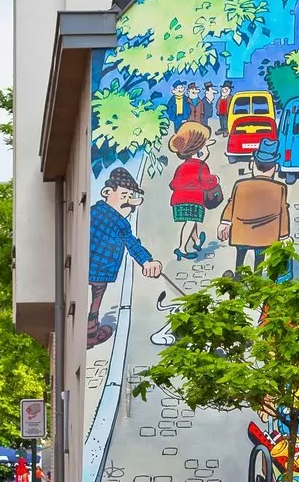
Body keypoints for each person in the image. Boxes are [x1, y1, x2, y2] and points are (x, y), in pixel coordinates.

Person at [87, 166, 162, 348]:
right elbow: (132, 244)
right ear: (107, 192)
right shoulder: (118, 222)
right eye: (124, 195)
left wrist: (147, 261)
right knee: (96, 296)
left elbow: (132, 243)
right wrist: (147, 261)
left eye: (132, 197)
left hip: (86, 265)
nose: (129, 202)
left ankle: (88, 331)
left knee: (91, 296)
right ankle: (90, 332)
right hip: (101, 268)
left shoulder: (92, 212)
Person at [216, 136, 292, 269]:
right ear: (275, 168)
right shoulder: (280, 188)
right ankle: (257, 279)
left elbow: (231, 205)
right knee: (260, 258)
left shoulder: (240, 185)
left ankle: (238, 276)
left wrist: (225, 223)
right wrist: (284, 236)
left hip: (241, 232)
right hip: (265, 235)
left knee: (240, 257)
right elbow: (283, 213)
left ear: (252, 164)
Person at [166, 121, 219, 259]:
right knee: (190, 222)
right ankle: (181, 248)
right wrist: (216, 179)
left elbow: (173, 184)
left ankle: (196, 241)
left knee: (191, 220)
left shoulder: (182, 167)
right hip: (194, 200)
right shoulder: (201, 165)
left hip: (178, 200)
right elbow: (207, 183)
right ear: (199, 150)